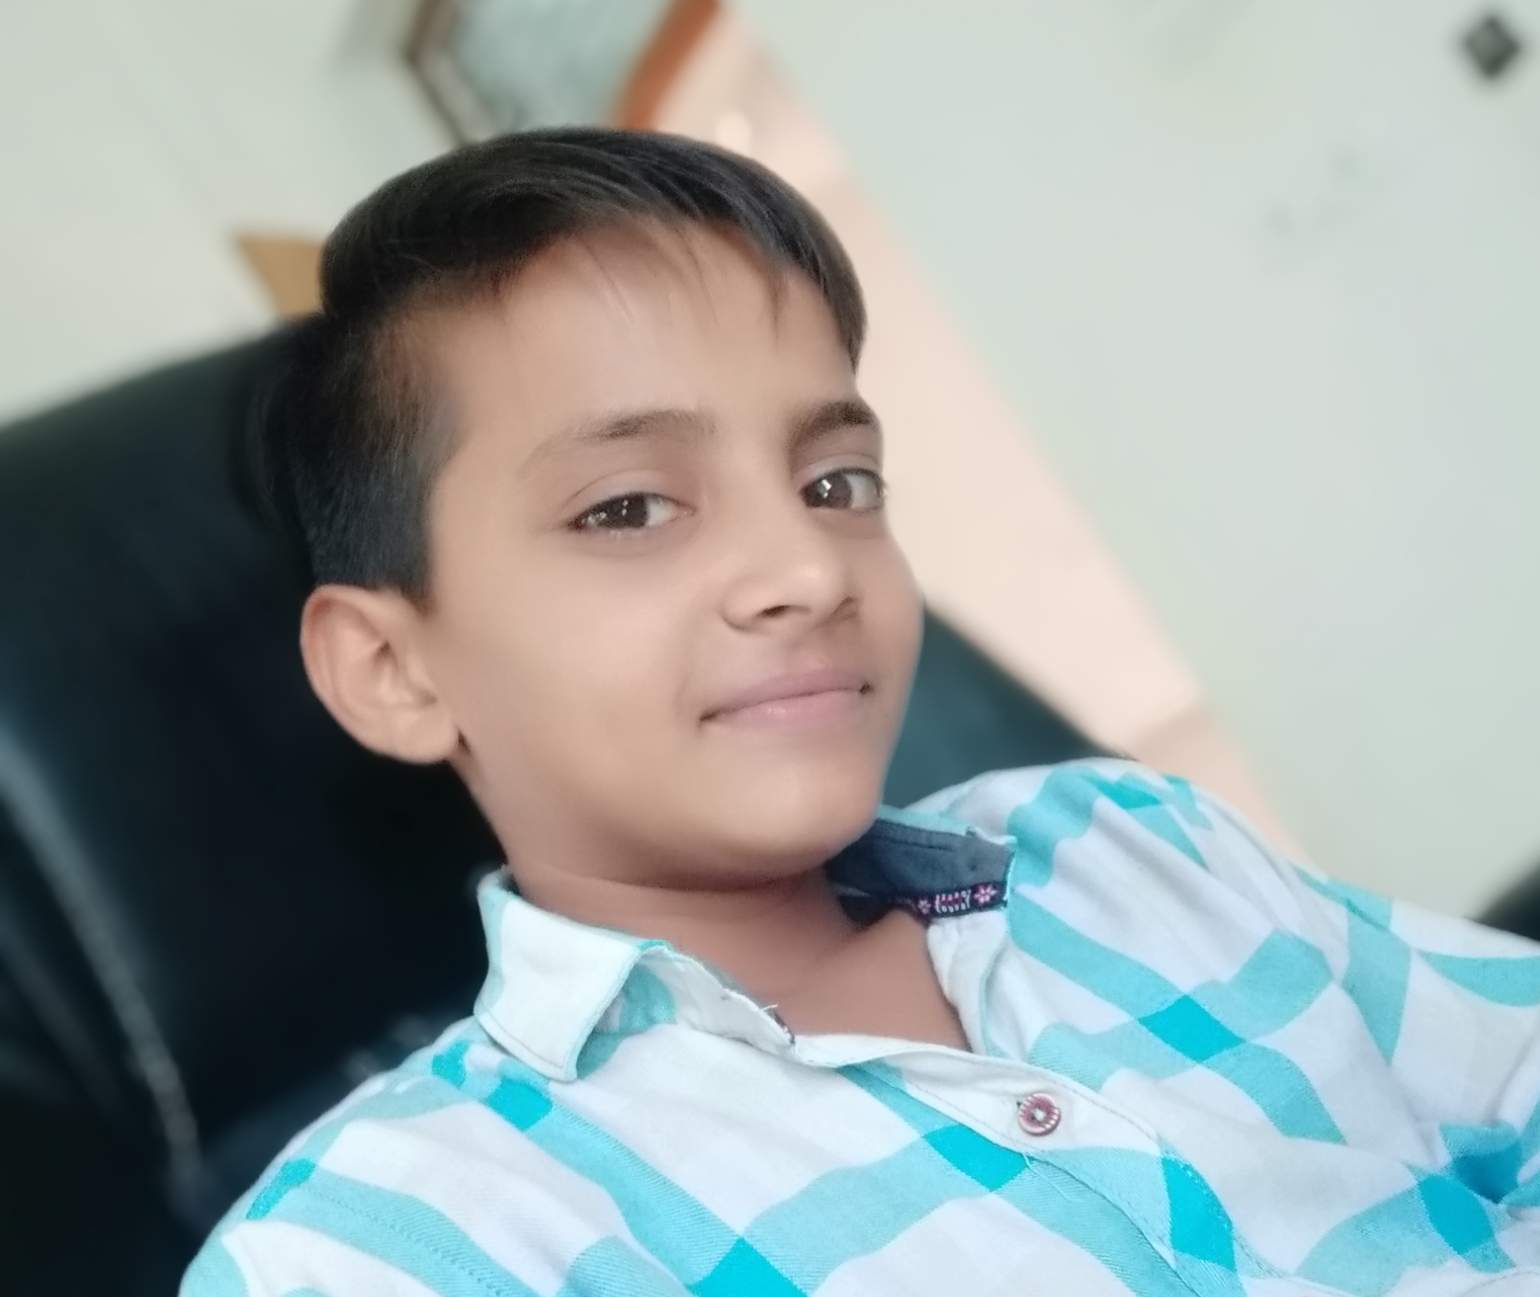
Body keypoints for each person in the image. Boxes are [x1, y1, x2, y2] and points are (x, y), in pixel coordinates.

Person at [183, 128, 1540, 1296]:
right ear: (395, 670)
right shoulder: (377, 1250)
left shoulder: (1124, 842)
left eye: (836, 484)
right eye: (629, 507)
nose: (808, 568)